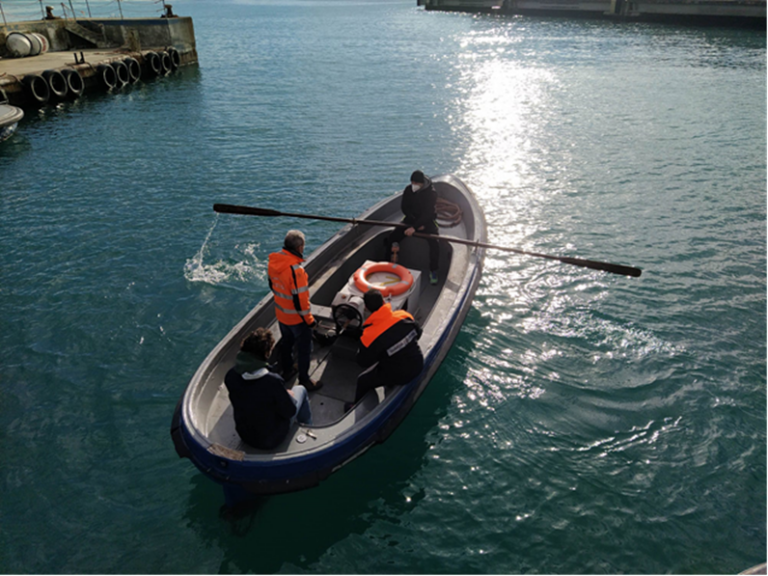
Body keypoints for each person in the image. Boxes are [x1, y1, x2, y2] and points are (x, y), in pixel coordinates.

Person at [225, 328, 312, 450]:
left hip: (245, 435)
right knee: (300, 390)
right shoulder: (272, 381)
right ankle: (308, 427)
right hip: (271, 439)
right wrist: (289, 396)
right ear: (266, 354)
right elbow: (290, 411)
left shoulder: (231, 375)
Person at [345, 289, 424, 411]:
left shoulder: (369, 335)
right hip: (418, 364)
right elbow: (418, 333)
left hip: (399, 375)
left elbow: (362, 362)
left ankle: (354, 406)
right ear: (383, 301)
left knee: (363, 380)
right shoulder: (404, 315)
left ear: (366, 308)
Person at [268, 230, 322, 391]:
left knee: (287, 343)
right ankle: (304, 380)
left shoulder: (273, 262)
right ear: (299, 248)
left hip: (281, 315)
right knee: (305, 349)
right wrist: (311, 321)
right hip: (297, 320)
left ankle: (288, 369)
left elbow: (272, 286)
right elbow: (301, 302)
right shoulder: (296, 271)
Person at [385, 170, 440, 285]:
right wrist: (412, 223)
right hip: (411, 220)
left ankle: (433, 270)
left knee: (435, 243)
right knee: (392, 237)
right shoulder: (408, 190)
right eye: (412, 182)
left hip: (426, 221)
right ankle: (390, 262)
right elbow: (404, 207)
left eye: (416, 183)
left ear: (421, 183)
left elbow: (428, 213)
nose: (413, 185)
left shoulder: (431, 193)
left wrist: (416, 227)